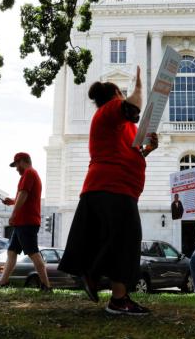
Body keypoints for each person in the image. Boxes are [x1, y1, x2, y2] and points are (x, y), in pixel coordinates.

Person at [58, 66, 159, 316]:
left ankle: (95, 277)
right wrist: (138, 89)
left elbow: (130, 152)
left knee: (113, 241)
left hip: (108, 187)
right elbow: (131, 107)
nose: (124, 96)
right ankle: (118, 298)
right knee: (127, 241)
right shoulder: (109, 110)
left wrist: (147, 150)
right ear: (115, 94)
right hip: (113, 187)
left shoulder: (119, 125)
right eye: (121, 93)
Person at [0, 152, 52, 292]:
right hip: (23, 222)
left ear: (22, 161)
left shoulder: (29, 173)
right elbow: (26, 197)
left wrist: (13, 214)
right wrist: (12, 202)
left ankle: (47, 286)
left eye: (16, 165)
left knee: (33, 253)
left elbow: (24, 194)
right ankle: (3, 282)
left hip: (26, 221)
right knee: (12, 252)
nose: (16, 169)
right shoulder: (32, 174)